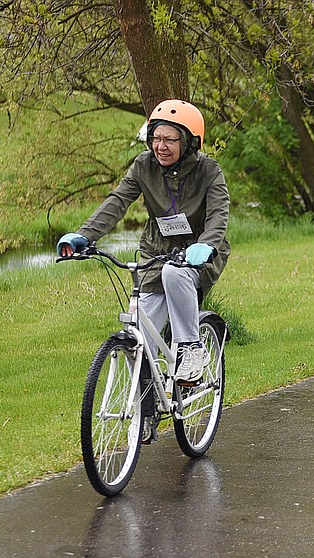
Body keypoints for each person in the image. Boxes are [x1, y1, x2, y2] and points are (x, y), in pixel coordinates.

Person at [57, 99, 231, 386]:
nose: (160, 146)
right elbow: (118, 201)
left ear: (189, 142)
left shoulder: (209, 171)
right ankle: (146, 410)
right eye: (156, 138)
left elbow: (218, 215)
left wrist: (207, 244)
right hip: (155, 250)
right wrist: (85, 235)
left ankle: (192, 349)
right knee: (139, 336)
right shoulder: (143, 166)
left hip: (199, 251)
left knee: (175, 273)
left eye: (170, 140)